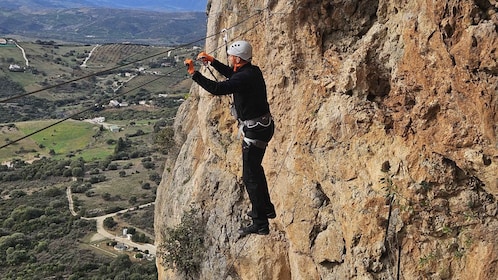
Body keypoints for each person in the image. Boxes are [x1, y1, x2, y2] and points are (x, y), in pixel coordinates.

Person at [184, 40, 276, 237]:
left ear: (237, 58)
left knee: (250, 177)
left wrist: (194, 74)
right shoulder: (252, 71)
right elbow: (234, 76)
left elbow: (218, 89)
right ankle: (266, 208)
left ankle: (260, 223)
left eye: (231, 57)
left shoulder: (244, 77)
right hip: (261, 127)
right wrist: (213, 61)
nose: (229, 59)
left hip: (255, 132)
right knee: (255, 172)